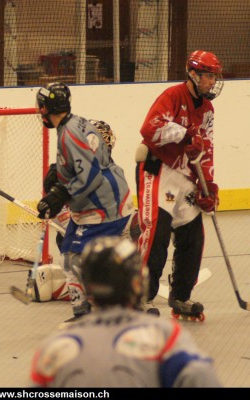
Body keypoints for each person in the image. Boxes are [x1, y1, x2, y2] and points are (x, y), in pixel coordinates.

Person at [29, 236, 222, 388]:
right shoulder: (164, 337)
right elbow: (200, 376)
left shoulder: (55, 348)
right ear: (138, 284)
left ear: (87, 289)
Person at [35, 82, 136, 323]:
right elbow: (89, 159)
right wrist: (59, 171)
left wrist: (61, 193)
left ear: (45, 108)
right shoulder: (76, 122)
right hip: (108, 199)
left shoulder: (68, 133)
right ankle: (95, 310)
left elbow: (91, 175)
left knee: (74, 258)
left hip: (102, 206)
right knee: (71, 253)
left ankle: (98, 312)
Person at [135, 50, 223, 317]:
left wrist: (208, 186)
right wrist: (185, 134)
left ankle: (181, 296)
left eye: (214, 77)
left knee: (193, 238)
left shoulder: (207, 109)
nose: (212, 82)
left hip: (185, 177)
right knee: (156, 234)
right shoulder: (172, 95)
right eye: (208, 76)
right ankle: (140, 297)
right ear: (193, 74)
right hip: (158, 170)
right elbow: (150, 128)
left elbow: (206, 149)